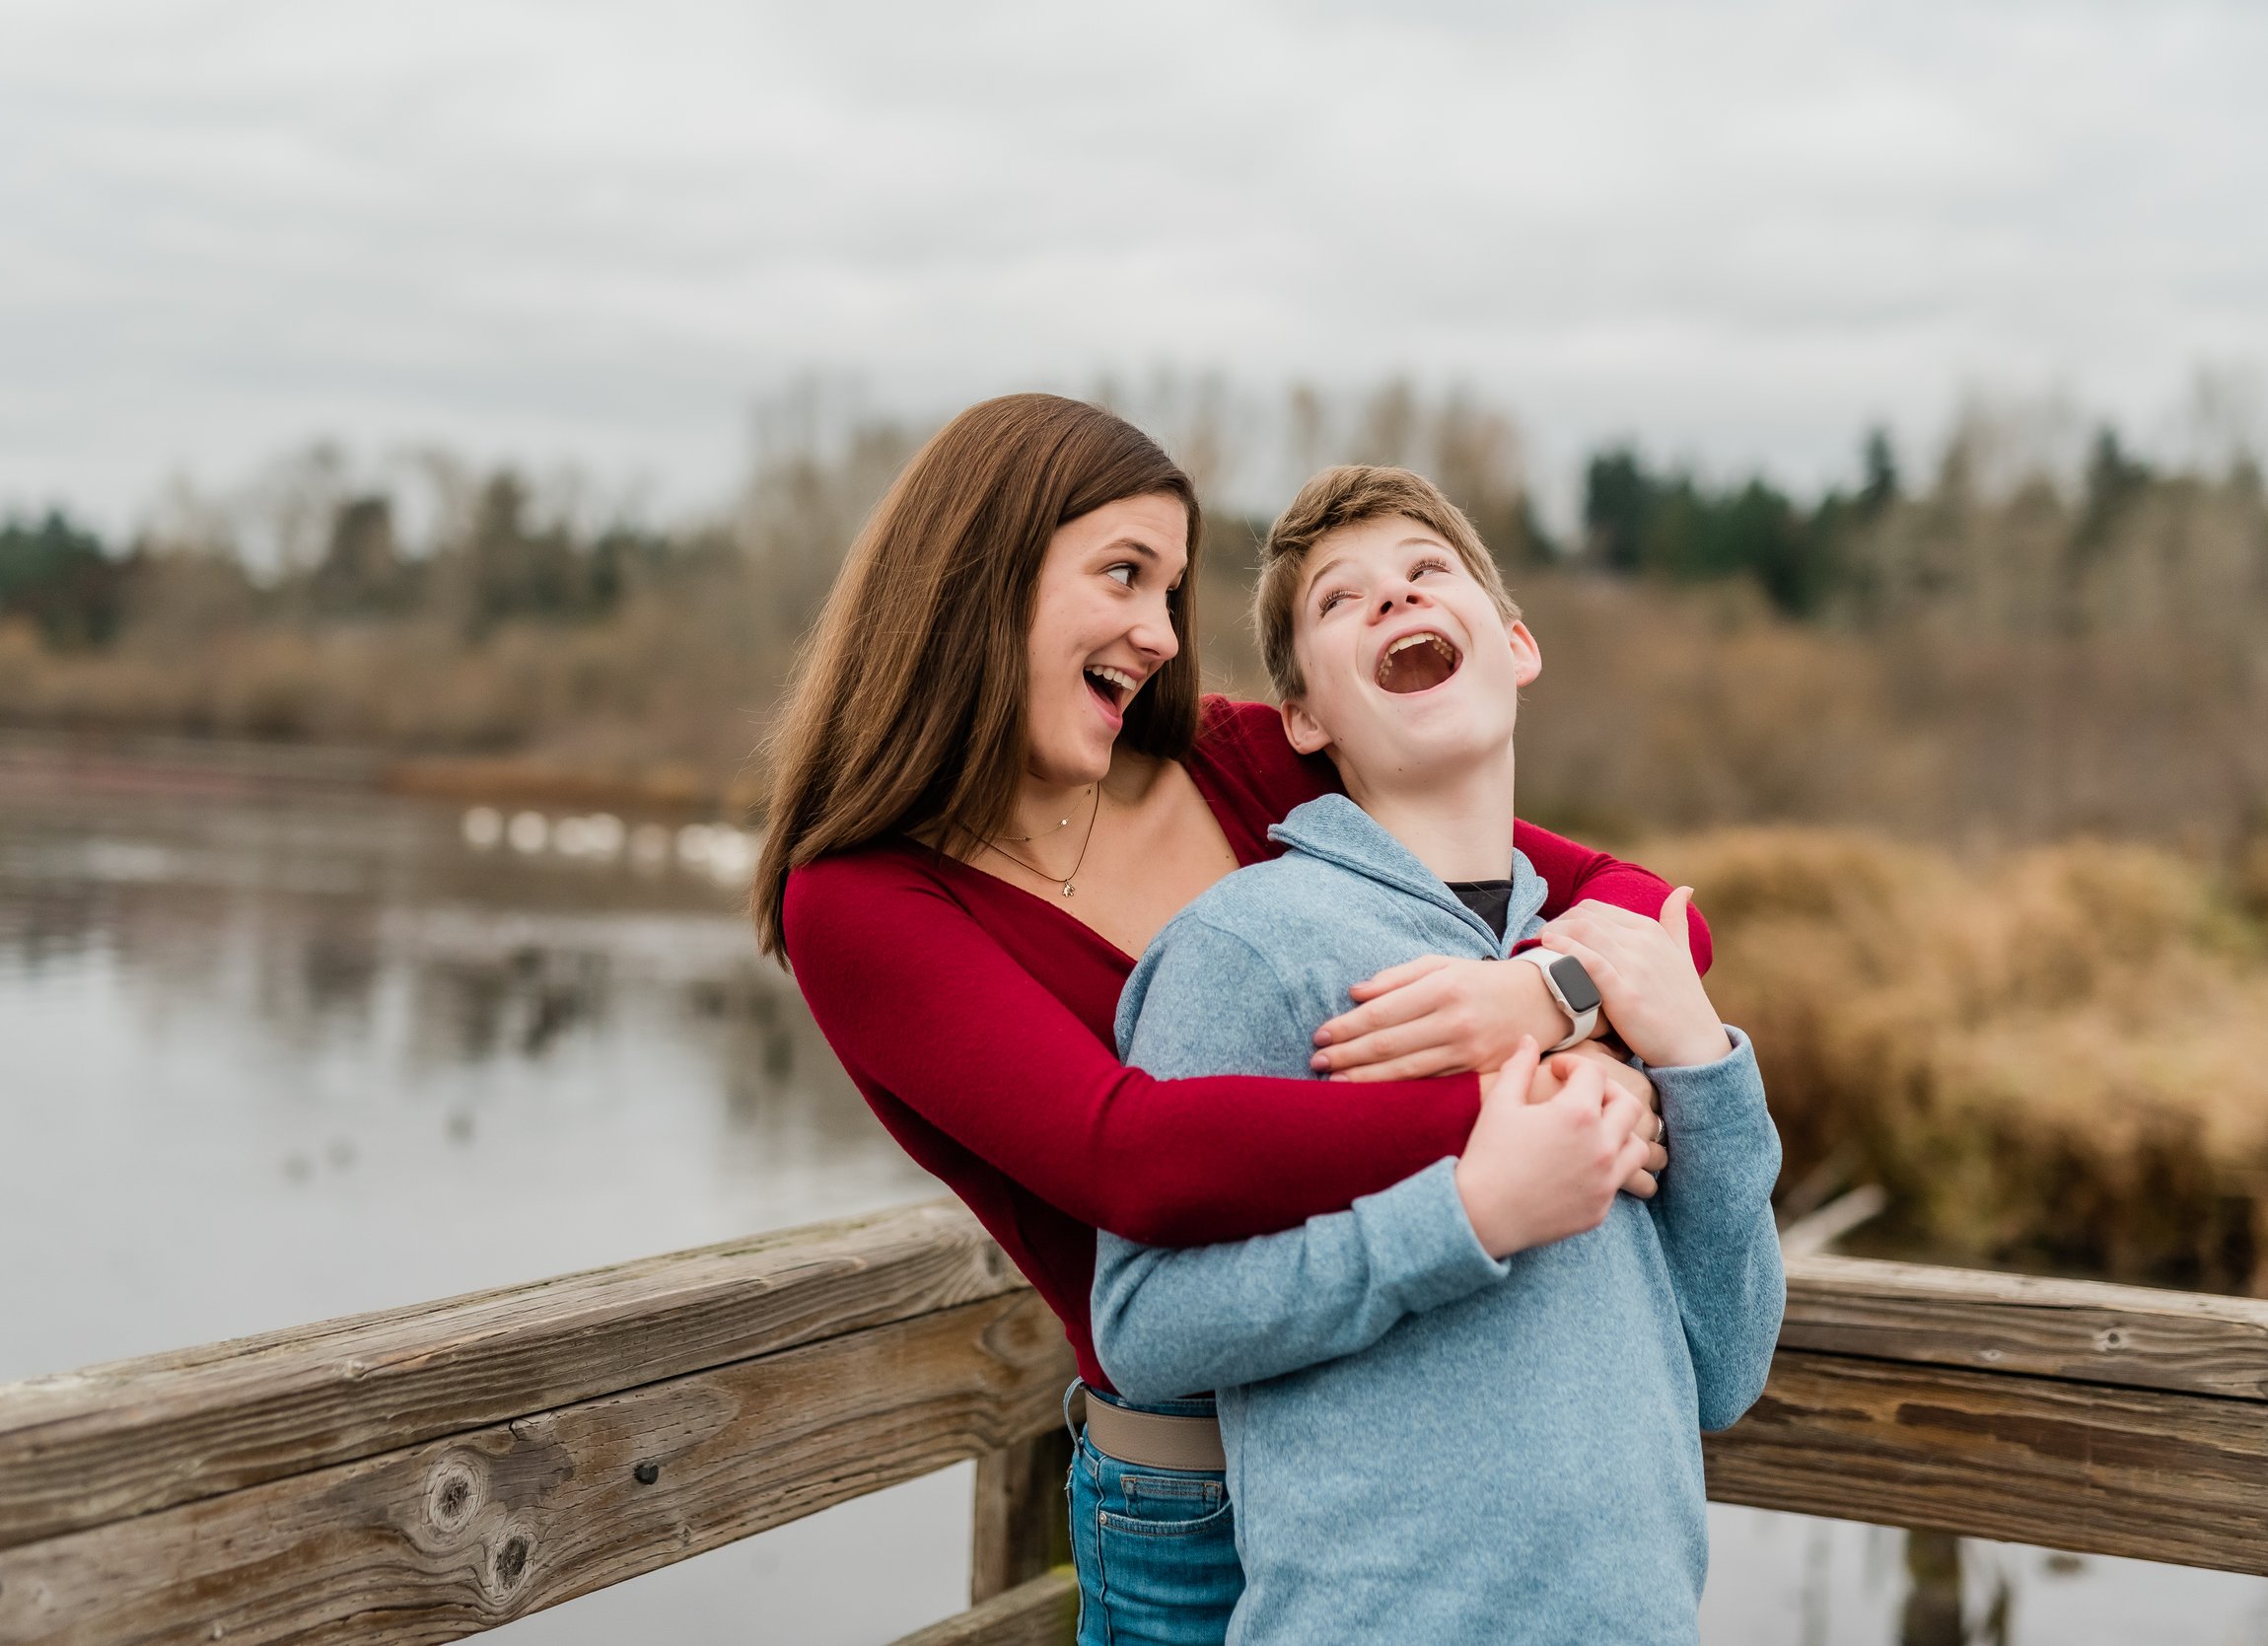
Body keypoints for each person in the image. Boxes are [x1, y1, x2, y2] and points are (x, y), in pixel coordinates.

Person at [753, 394, 1715, 1645]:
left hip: (1417, 1462)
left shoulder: (1239, 761)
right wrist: (1516, 1113)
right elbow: (1130, 1156)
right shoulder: (865, 903)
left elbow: (1644, 909)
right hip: (1191, 1496)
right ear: (982, 579)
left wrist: (1544, 997)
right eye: (1123, 575)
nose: (1159, 633)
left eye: (1172, 590)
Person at [1091, 465, 1785, 1645]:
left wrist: (1699, 1062)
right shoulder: (1247, 948)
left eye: (1426, 573)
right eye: (1339, 600)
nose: (1393, 601)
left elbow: (1725, 1369)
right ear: (1304, 717)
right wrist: (1468, 1218)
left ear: (1513, 644)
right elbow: (1147, 1331)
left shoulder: (1603, 966)